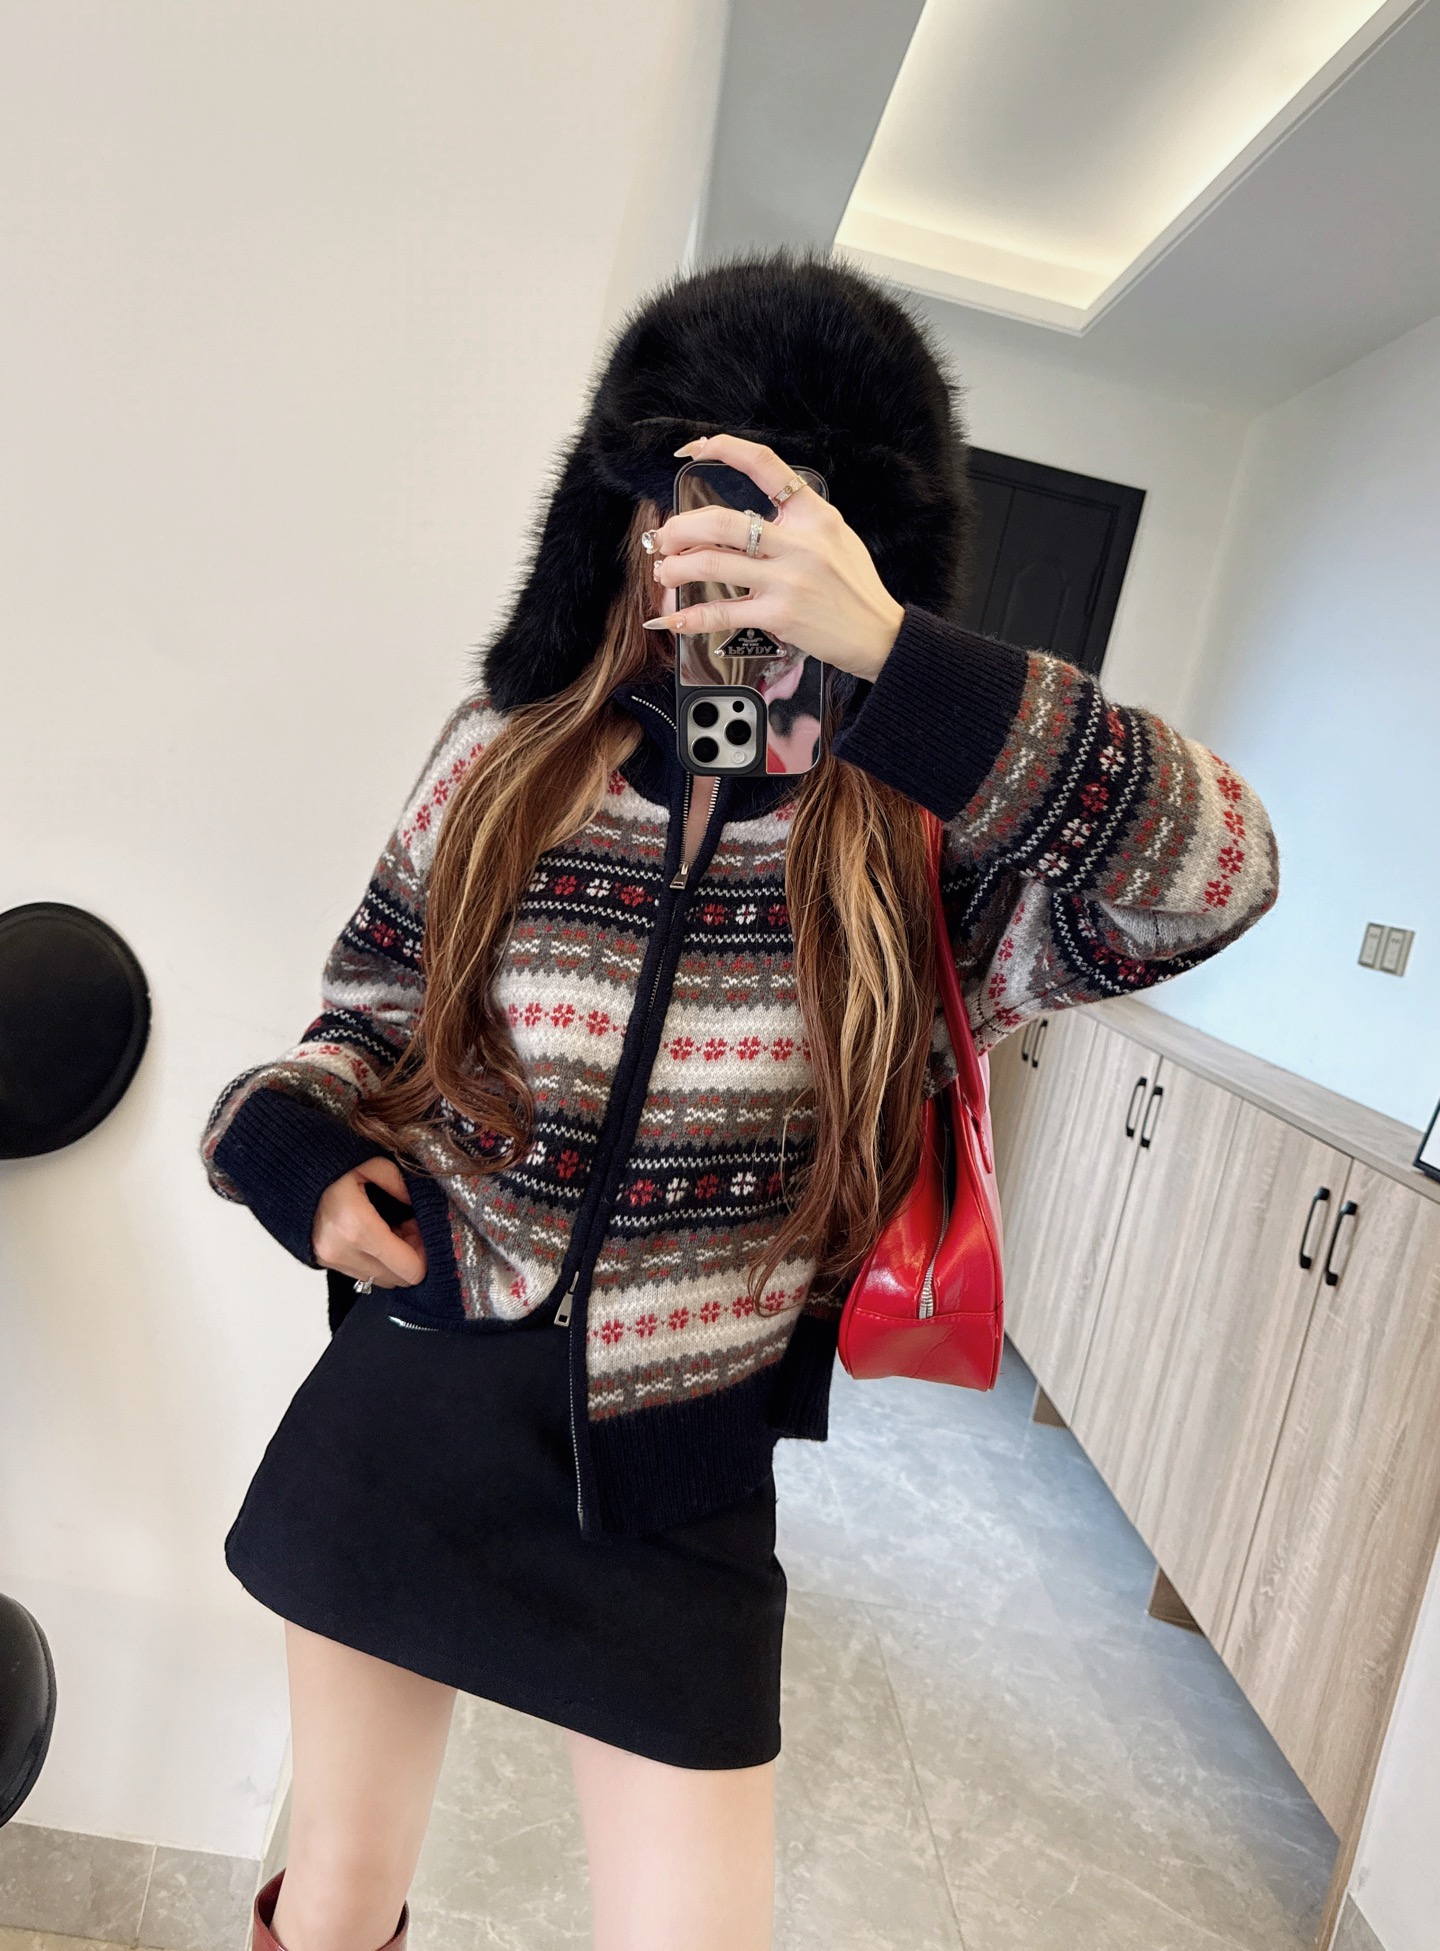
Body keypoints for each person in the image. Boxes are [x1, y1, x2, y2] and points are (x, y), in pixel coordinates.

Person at [201, 255, 1278, 1951]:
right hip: (413, 1400)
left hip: (679, 1471)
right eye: (679, 492)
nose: (704, 543)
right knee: (336, 1901)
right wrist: (298, 1157)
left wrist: (896, 658)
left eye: (769, 503)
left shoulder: (915, 836)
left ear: (852, 532)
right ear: (621, 513)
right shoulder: (501, 756)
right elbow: (355, 1025)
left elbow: (1218, 873)